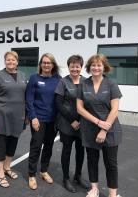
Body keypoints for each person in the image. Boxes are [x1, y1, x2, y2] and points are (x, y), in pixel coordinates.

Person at [76, 54, 123, 197]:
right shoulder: (83, 84)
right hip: (89, 129)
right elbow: (80, 108)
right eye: (93, 65)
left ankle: (112, 194)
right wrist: (97, 122)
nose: (96, 68)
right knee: (92, 160)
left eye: (99, 65)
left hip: (110, 129)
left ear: (104, 67)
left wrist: (103, 129)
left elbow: (115, 109)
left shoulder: (111, 84)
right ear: (89, 67)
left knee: (111, 163)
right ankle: (94, 189)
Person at [0, 51, 27, 188]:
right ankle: (0, 173)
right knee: (1, 143)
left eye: (13, 60)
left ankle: (7, 167)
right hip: (1, 115)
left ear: (17, 61)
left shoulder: (22, 75)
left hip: (18, 116)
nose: (11, 62)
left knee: (13, 142)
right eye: (8, 60)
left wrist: (27, 115)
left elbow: (25, 96)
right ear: (5, 61)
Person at [26, 53, 60, 190]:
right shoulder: (34, 78)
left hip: (53, 120)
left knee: (48, 146)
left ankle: (44, 171)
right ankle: (32, 174)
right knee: (36, 146)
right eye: (44, 62)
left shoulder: (58, 79)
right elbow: (29, 99)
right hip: (38, 119)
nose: (46, 65)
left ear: (53, 65)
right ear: (40, 64)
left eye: (49, 62)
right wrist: (32, 117)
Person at [55, 55, 89, 193]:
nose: (75, 69)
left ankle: (78, 176)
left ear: (81, 67)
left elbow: (89, 102)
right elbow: (58, 103)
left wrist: (81, 121)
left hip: (83, 124)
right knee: (67, 150)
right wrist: (72, 121)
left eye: (77, 66)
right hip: (66, 123)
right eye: (72, 66)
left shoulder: (87, 82)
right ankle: (66, 178)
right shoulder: (63, 82)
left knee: (81, 151)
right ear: (68, 67)